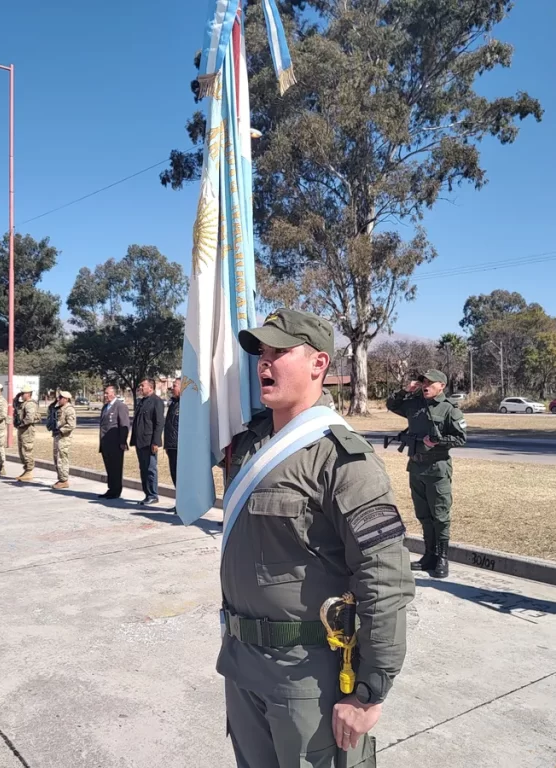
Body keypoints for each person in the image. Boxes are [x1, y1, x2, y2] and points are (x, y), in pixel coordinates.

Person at [219, 309, 414, 768]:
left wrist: (368, 691)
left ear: (318, 363)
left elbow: (385, 577)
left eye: (279, 352)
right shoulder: (254, 448)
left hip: (307, 676)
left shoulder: (343, 459)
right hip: (242, 662)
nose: (264, 364)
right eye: (261, 354)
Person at [385, 369, 467, 579]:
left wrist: (438, 441)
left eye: (431, 383)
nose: (425, 386)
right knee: (423, 514)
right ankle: (428, 556)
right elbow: (392, 405)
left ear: (442, 386)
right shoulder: (414, 404)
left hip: (437, 469)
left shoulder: (449, 409)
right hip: (416, 467)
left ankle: (442, 558)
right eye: (423, 382)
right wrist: (405, 390)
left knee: (439, 515)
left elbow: (460, 438)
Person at [130, 379, 164, 506]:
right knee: (143, 469)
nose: (140, 387)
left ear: (150, 387)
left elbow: (159, 423)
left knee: (150, 469)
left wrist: (155, 442)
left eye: (142, 385)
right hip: (140, 442)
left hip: (149, 442)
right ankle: (147, 494)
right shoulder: (141, 401)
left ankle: (153, 495)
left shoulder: (156, 401)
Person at [98, 385, 130, 499]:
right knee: (109, 467)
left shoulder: (120, 406)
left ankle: (116, 490)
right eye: (104, 393)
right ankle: (111, 489)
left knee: (116, 468)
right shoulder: (105, 407)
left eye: (107, 393)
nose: (105, 395)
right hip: (105, 443)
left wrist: (123, 441)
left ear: (114, 393)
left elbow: (124, 425)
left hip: (116, 443)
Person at [52, 391, 77, 490]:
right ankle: (61, 478)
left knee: (62, 458)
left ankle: (64, 480)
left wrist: (61, 430)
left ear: (66, 399)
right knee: (56, 458)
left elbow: (72, 425)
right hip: (58, 436)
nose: (59, 398)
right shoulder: (60, 408)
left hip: (64, 437)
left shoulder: (69, 409)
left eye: (61, 397)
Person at [14, 384, 40, 482]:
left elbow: (30, 417)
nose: (21, 395)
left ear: (28, 394)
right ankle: (26, 470)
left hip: (27, 430)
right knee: (21, 451)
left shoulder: (30, 404)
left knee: (27, 450)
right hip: (22, 429)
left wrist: (21, 424)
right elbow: (15, 405)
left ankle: (29, 470)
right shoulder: (23, 403)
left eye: (23, 393)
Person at [163, 380, 181, 513]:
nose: (171, 389)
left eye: (174, 386)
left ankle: (183, 505)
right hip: (171, 445)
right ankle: (179, 504)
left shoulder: (186, 404)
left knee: (181, 478)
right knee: (174, 475)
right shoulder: (173, 403)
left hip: (180, 447)